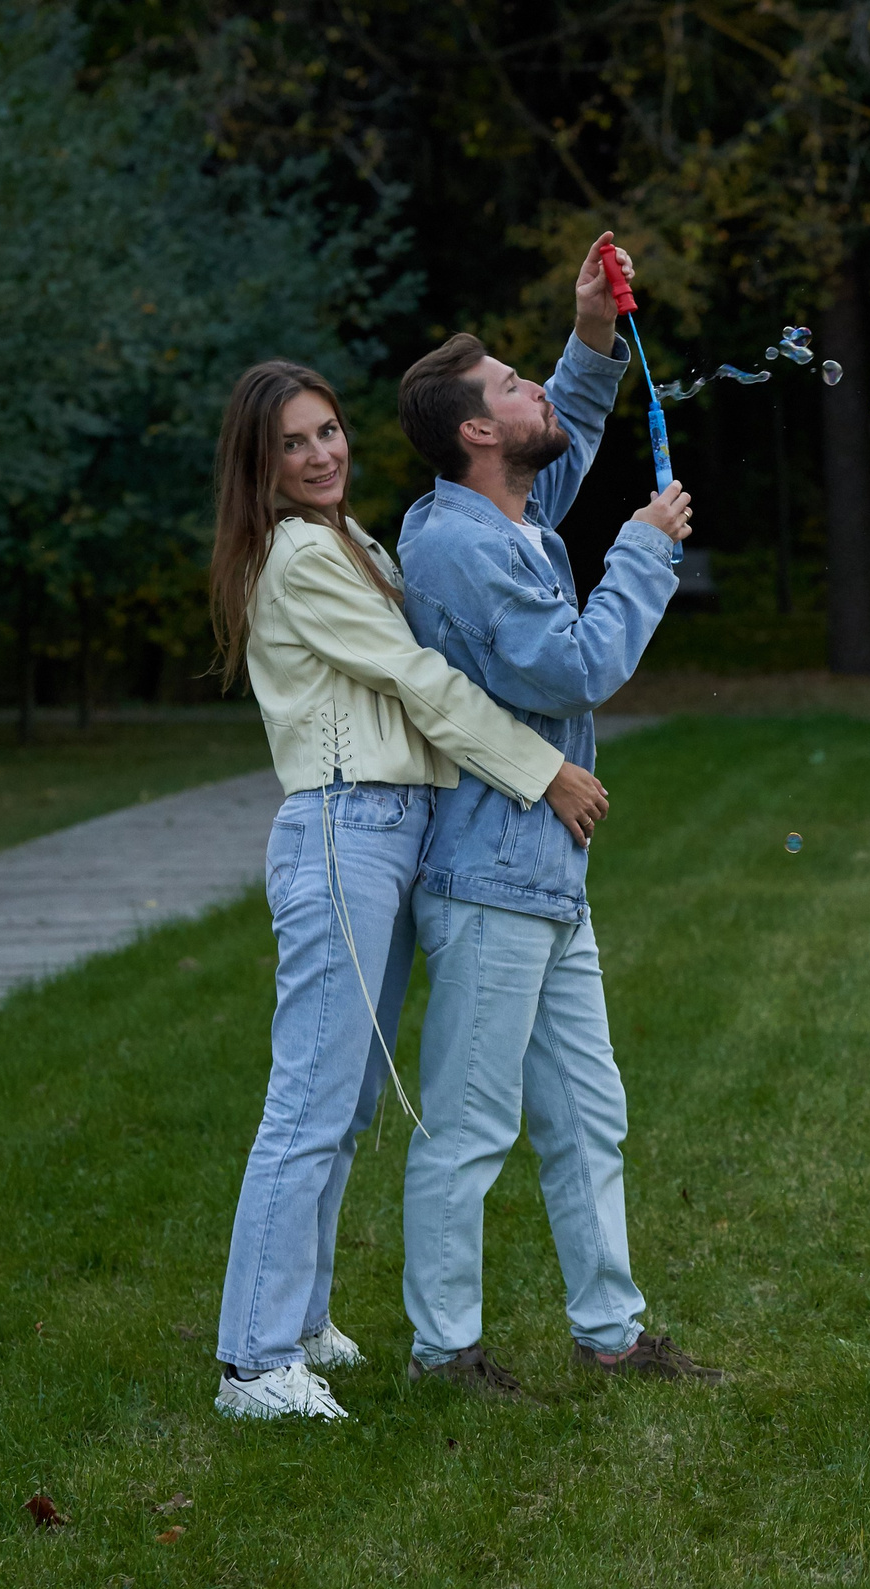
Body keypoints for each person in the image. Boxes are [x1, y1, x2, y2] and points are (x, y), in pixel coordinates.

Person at [207, 358, 611, 1422]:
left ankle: (300, 1322)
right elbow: (421, 681)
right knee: (308, 1100)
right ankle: (252, 1362)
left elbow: (534, 489)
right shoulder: (301, 557)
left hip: (391, 832)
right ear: (259, 464)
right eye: (291, 444)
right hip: (343, 829)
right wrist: (543, 770)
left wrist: (587, 348)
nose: (319, 455)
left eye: (328, 431)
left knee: (345, 1105)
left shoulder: (353, 539)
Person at [388, 235, 720, 1397]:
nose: (535, 389)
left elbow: (562, 445)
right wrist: (644, 552)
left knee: (588, 1116)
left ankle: (612, 1334)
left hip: (544, 875)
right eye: (514, 385)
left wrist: (590, 334)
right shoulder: (457, 548)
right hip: (489, 881)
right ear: (478, 432)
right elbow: (577, 668)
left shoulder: (504, 517)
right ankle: (443, 1353)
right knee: (470, 1126)